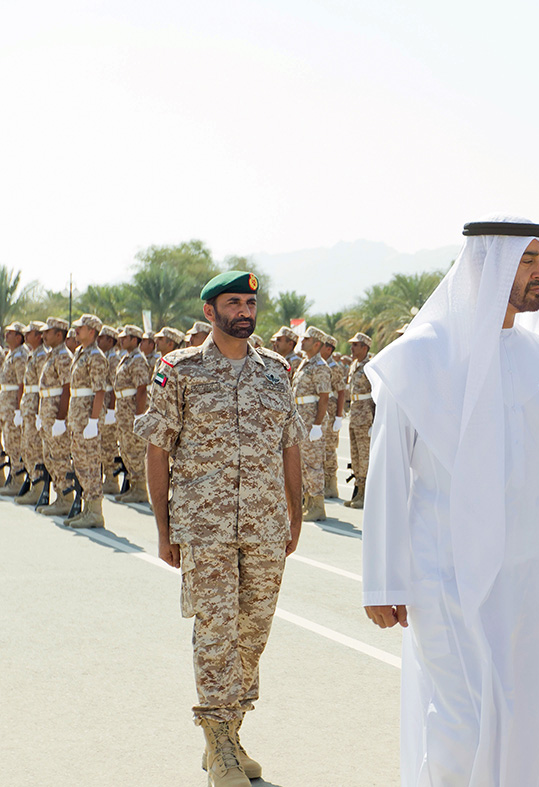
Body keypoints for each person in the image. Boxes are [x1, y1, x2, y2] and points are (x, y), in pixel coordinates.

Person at [361, 216, 539, 786]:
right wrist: (384, 580)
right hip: (444, 573)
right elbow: (386, 474)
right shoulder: (420, 356)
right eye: (527, 260)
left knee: (519, 715)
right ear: (489, 264)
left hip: (524, 580)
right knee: (460, 719)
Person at [136, 271, 303, 787]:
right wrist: (164, 529)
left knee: (253, 634)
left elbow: (290, 447)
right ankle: (220, 747)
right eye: (234, 302)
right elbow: (157, 451)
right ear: (210, 312)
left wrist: (295, 516)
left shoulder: (277, 371)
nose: (245, 311)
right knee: (216, 632)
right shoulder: (177, 370)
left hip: (266, 526)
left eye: (250, 302)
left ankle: (229, 732)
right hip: (203, 528)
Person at [63, 314, 111, 528]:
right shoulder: (80, 353)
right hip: (78, 415)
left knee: (90, 463)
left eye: (80, 328)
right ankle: (87, 509)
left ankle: (95, 512)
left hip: (87, 418)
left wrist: (93, 421)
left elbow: (99, 390)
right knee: (81, 463)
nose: (76, 331)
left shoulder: (96, 356)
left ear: (92, 331)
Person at [36, 317, 75, 516]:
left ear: (59, 334)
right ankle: (61, 495)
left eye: (48, 332)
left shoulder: (63, 356)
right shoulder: (53, 354)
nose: (43, 335)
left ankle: (66, 497)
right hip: (47, 410)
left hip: (55, 412)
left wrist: (61, 418)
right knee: (50, 455)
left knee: (59, 455)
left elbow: (67, 388)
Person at [292, 326, 331, 521]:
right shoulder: (305, 363)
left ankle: (318, 505)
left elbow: (324, 398)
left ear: (317, 344)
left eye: (306, 339)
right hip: (301, 419)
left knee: (313, 464)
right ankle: (309, 501)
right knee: (303, 464)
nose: (302, 340)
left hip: (311, 421)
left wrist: (317, 425)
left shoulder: (320, 366)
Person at [113, 325, 152, 504]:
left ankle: (140, 488)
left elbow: (142, 389)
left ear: (135, 340)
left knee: (135, 448)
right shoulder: (127, 358)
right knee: (126, 447)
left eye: (126, 337)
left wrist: (139, 415)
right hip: (123, 410)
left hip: (131, 410)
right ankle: (135, 485)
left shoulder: (137, 359)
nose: (121, 340)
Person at [14, 322, 48, 506]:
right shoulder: (33, 354)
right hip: (28, 404)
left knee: (35, 447)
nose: (26, 336)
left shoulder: (42, 355)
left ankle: (39, 487)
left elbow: (44, 384)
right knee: (27, 445)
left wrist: (38, 412)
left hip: (36, 403)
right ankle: (34, 484)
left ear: (39, 335)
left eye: (30, 333)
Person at [0, 322, 29, 495]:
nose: (6, 334)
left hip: (12, 405)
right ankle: (7, 476)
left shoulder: (20, 355)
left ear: (19, 336)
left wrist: (19, 409)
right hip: (5, 403)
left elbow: (21, 384)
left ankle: (17, 480)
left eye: (10, 333)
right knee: (8, 441)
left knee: (14, 442)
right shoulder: (11, 353)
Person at [345, 332, 373, 509]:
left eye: (356, 345)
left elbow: (376, 394)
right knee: (355, 455)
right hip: (355, 414)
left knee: (365, 456)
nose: (352, 348)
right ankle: (358, 491)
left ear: (365, 347)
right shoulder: (354, 365)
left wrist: (375, 420)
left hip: (365, 415)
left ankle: (366, 494)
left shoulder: (370, 366)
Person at [319, 335, 347, 499]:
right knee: (321, 450)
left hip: (330, 414)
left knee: (329, 450)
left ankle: (331, 484)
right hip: (322, 414)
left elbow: (341, 391)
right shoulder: (320, 366)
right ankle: (323, 482)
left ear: (328, 349)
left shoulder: (333, 367)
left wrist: (338, 416)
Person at [97, 324, 122, 495]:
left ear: (110, 340)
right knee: (102, 444)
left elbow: (114, 386)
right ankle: (107, 476)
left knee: (109, 444)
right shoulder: (103, 357)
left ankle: (112, 478)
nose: (98, 341)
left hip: (108, 405)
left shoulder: (113, 359)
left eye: (101, 338)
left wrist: (112, 410)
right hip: (103, 404)